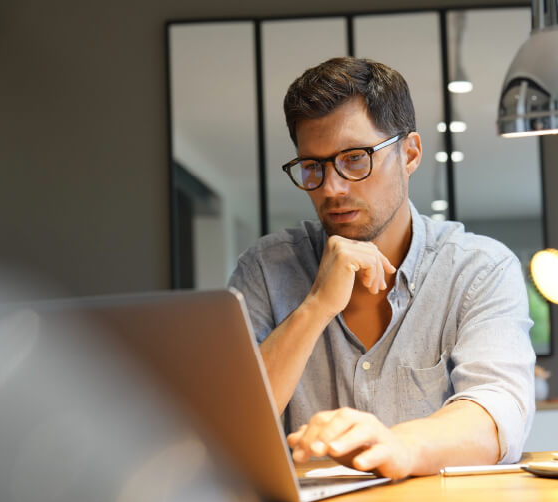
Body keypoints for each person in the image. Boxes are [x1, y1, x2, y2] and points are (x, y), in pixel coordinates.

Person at [229, 57, 535, 480]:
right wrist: (315, 306)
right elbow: (231, 428)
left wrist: (399, 446)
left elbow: (499, 412)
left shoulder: (479, 269)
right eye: (313, 167)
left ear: (409, 154)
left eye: (355, 158)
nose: (332, 188)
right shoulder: (265, 269)